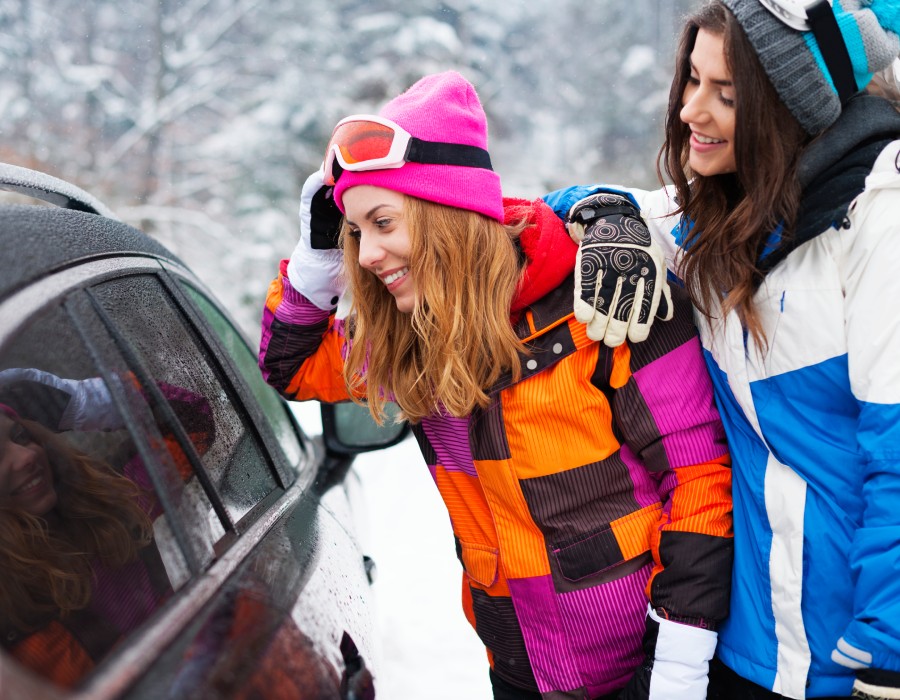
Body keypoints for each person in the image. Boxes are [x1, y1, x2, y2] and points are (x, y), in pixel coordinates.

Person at [258, 70, 733, 699]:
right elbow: (288, 367)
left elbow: (699, 478)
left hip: (644, 672)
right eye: (353, 232)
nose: (367, 254)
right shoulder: (411, 338)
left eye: (383, 223)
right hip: (518, 672)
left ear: (445, 215)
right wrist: (316, 258)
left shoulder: (607, 301)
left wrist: (674, 670)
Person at [545, 2, 900, 698]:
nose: (690, 111)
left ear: (790, 109)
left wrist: (888, 656)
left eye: (725, 95)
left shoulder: (878, 221)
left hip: (846, 660)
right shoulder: (728, 216)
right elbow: (562, 205)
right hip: (741, 647)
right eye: (691, 81)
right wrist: (605, 214)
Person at [0, 371, 214, 688]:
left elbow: (190, 420)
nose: (28, 455)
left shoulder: (110, 502)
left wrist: (76, 403)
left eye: (21, 436)